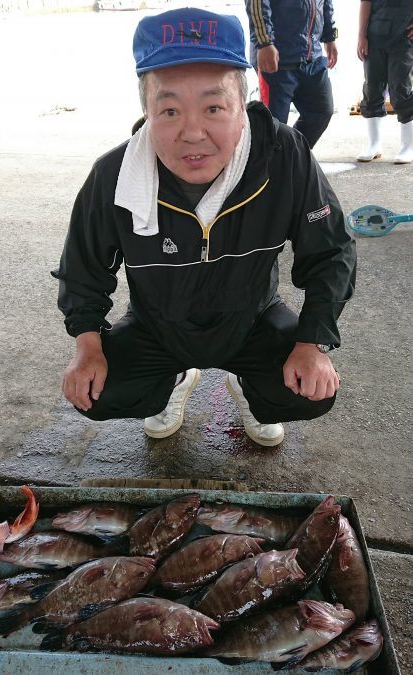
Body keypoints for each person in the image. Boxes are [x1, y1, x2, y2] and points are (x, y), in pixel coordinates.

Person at [52, 7, 356, 448]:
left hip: (252, 319)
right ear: (146, 112)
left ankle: (252, 390)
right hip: (157, 325)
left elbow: (331, 252)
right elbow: (83, 269)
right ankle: (173, 379)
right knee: (95, 395)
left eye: (214, 107)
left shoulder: (284, 155)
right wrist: (87, 346)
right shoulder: (114, 174)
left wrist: (312, 343)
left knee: (308, 394)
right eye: (170, 110)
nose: (192, 132)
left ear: (244, 105)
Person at [245, 0, 338, 148]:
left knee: (322, 110)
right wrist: (264, 43)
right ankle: (271, 167)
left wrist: (329, 36)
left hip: (312, 55)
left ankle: (293, 156)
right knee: (273, 125)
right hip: (276, 60)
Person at [356, 0, 413, 164]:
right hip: (375, 36)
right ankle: (374, 144)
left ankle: (407, 146)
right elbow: (365, 2)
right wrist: (361, 35)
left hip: (404, 38)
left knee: (400, 87)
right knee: (372, 87)